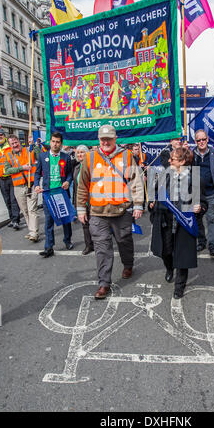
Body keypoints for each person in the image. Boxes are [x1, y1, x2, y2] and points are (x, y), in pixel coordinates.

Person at [77, 125, 144, 299]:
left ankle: (128, 264)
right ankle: (103, 283)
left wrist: (137, 205)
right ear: (98, 139)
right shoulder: (90, 158)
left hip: (121, 211)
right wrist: (81, 208)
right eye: (103, 139)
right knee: (102, 248)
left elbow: (136, 182)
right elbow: (83, 185)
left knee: (124, 241)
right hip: (98, 213)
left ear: (115, 138)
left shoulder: (127, 155)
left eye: (109, 138)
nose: (106, 142)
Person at [149, 147, 207, 299]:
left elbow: (203, 201)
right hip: (166, 221)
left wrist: (200, 207)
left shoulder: (195, 179)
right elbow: (154, 192)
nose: (169, 161)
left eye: (173, 159)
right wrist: (152, 202)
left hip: (184, 223)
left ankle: (179, 286)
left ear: (182, 161)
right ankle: (169, 268)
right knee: (165, 252)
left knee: (182, 256)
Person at [34, 131, 74, 258]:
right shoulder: (42, 156)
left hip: (62, 193)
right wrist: (36, 184)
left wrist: (68, 181)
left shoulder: (66, 157)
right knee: (48, 221)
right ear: (50, 142)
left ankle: (67, 241)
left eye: (58, 142)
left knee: (65, 219)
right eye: (53, 141)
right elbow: (37, 173)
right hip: (48, 194)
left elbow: (70, 174)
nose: (55, 144)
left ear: (61, 144)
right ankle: (48, 247)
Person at [192, 129, 214, 257]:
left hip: (211, 193)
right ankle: (201, 241)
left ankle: (213, 246)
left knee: (211, 219)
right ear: (195, 141)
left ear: (207, 139)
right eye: (198, 140)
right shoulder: (191, 154)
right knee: (197, 219)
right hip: (197, 194)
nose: (201, 142)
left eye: (203, 139)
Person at [4, 135, 40, 242]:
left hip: (31, 185)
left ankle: (34, 232)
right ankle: (31, 230)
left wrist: (33, 144)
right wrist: (22, 168)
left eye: (16, 142)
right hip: (18, 187)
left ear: (19, 142)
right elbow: (7, 171)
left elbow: (39, 156)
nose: (15, 145)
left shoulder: (29, 150)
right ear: (10, 145)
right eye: (12, 144)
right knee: (25, 211)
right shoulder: (8, 155)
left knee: (32, 209)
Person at [0, 128, 20, 229]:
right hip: (1, 178)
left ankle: (16, 220)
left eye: (1, 134)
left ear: (4, 136)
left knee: (13, 199)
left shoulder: (10, 146)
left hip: (11, 176)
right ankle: (12, 219)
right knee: (7, 200)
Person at [73, 145, 93, 256]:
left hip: (93, 200)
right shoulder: (76, 168)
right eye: (78, 153)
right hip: (81, 201)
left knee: (95, 224)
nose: (80, 154)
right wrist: (75, 202)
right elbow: (75, 188)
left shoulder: (92, 166)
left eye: (82, 152)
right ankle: (88, 245)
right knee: (85, 224)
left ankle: (98, 243)